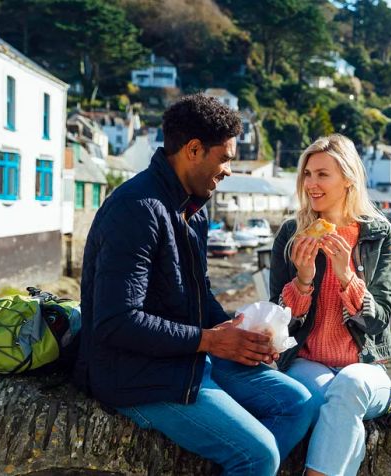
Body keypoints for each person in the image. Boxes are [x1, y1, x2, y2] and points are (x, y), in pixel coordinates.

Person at [73, 93, 314, 476]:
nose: (229, 170)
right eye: (226, 158)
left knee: (299, 402)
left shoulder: (193, 212)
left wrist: (241, 333)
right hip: (135, 376)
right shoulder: (136, 209)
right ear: (194, 149)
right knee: (259, 454)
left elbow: (198, 296)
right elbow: (115, 321)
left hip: (183, 358)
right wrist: (209, 341)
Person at [269, 134, 391, 476]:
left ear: (348, 179)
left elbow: (379, 320)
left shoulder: (379, 235)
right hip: (308, 362)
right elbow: (276, 321)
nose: (311, 183)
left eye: (322, 174)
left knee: (350, 387)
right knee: (319, 402)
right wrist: (303, 280)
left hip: (366, 366)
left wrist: (346, 276)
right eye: (307, 174)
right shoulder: (291, 234)